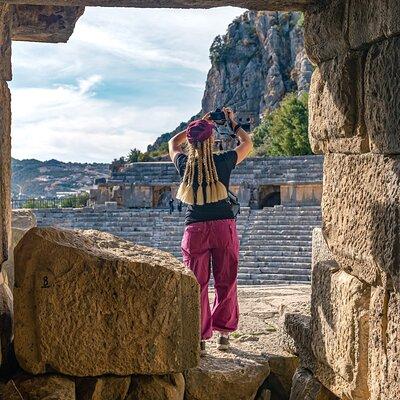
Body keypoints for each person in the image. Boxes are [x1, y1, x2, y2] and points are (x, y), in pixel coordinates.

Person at [168, 107, 253, 355]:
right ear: (212, 140)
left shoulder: (184, 164)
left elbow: (173, 143)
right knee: (227, 280)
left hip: (195, 228)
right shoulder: (223, 161)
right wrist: (233, 123)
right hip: (223, 227)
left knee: (197, 284)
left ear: (192, 143)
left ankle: (200, 338)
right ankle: (224, 335)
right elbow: (247, 144)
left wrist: (198, 125)